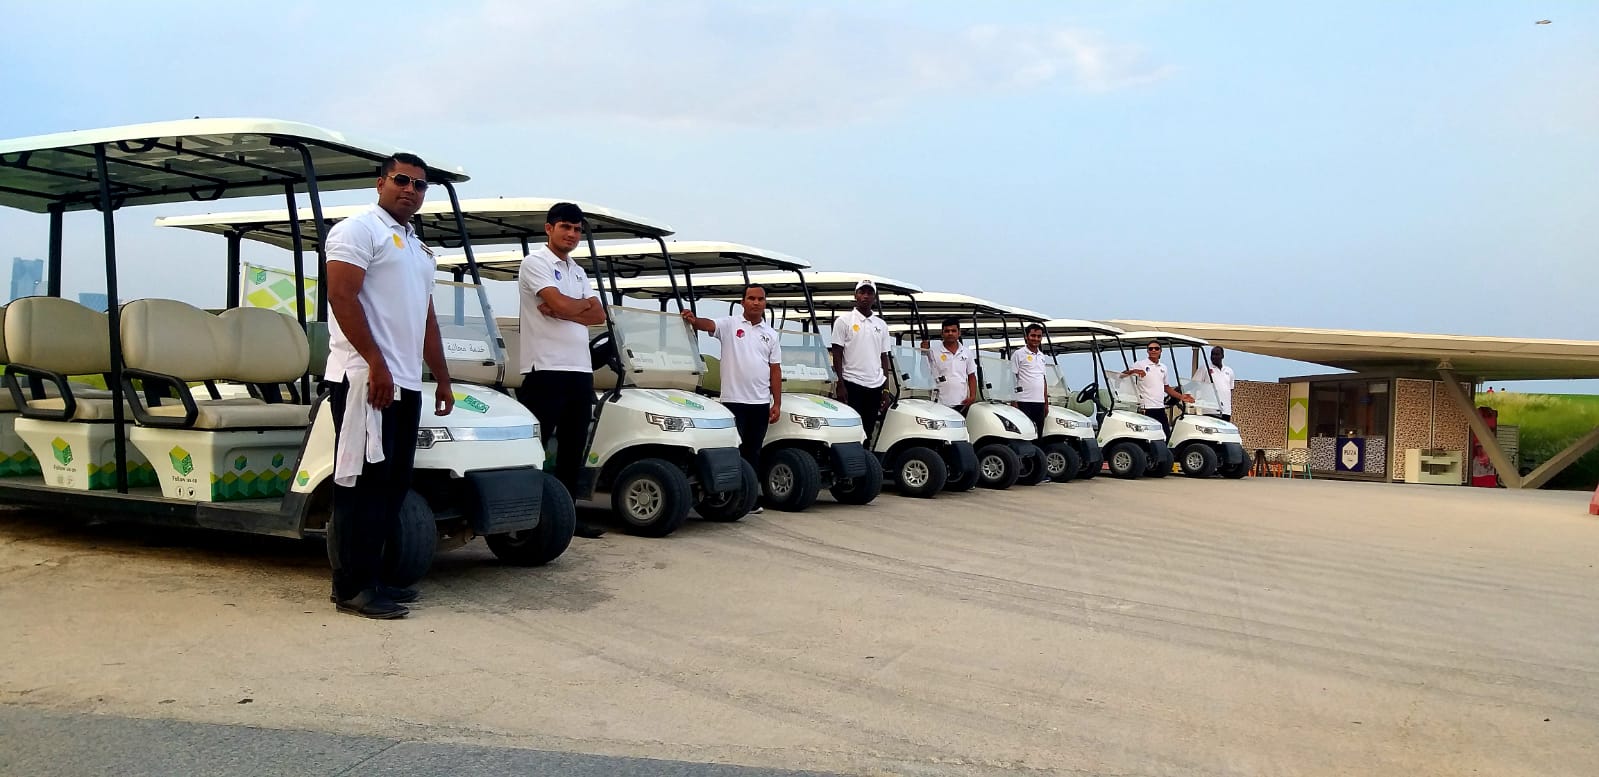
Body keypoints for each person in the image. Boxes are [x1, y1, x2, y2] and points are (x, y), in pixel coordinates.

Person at [323, 152, 454, 620]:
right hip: (365, 379)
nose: (410, 190)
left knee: (392, 488)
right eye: (401, 180)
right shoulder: (359, 230)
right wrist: (375, 362)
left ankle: (372, 578)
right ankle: (351, 588)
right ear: (381, 183)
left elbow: (426, 316)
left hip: (404, 382)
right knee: (361, 487)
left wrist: (441, 378)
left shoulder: (417, 247)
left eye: (419, 185)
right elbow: (341, 295)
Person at [515, 202, 608, 539]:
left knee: (572, 447)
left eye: (577, 229)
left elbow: (598, 314)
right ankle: (525, 514)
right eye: (565, 227)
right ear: (549, 228)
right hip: (545, 368)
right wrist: (570, 307)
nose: (572, 234)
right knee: (535, 446)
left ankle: (567, 516)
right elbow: (559, 303)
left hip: (579, 370)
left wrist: (566, 310)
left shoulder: (578, 271)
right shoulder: (535, 262)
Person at [682, 284, 781, 514]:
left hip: (760, 403)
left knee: (753, 452)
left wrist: (777, 402)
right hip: (733, 401)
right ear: (742, 302)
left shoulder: (771, 334)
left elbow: (775, 370)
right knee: (733, 450)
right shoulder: (730, 325)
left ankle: (749, 499)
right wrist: (693, 320)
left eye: (760, 299)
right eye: (751, 298)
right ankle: (727, 496)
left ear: (765, 303)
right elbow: (708, 324)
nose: (756, 302)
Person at [829, 279, 893, 441]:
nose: (865, 296)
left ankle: (865, 456)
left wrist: (886, 389)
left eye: (870, 293)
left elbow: (884, 357)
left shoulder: (881, 325)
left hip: (875, 385)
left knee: (868, 431)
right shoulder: (844, 321)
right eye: (862, 292)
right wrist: (840, 384)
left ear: (875, 297)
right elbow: (837, 354)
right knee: (851, 430)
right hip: (852, 383)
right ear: (855, 295)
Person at [1121, 340, 1192, 438]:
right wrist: (1135, 371)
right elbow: (1122, 375)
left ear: (1160, 351)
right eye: (1150, 349)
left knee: (1166, 435)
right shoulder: (1140, 364)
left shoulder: (1163, 367)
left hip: (1160, 407)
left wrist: (1181, 397)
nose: (1153, 350)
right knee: (1148, 437)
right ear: (1147, 351)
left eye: (1156, 348)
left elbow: (1166, 387)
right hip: (1146, 408)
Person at [920, 316, 977, 413]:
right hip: (939, 404)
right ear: (942, 333)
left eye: (953, 331)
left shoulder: (967, 352)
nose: (950, 333)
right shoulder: (933, 352)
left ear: (959, 333)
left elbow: (971, 376)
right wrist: (923, 353)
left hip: (962, 404)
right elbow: (924, 373)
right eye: (947, 331)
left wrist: (972, 396)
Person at [1012, 323, 1050, 435]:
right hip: (1023, 401)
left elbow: (1043, 379)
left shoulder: (1042, 356)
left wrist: (1046, 403)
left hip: (1039, 402)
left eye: (1039, 336)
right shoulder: (1018, 354)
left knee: (1038, 435)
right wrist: (1014, 401)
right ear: (1026, 336)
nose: (1036, 339)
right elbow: (1012, 378)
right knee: (1025, 433)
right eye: (1033, 335)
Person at [1195, 345, 1236, 421]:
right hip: (1210, 410)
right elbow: (1195, 384)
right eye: (1212, 354)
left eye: (1217, 354)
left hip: (1225, 411)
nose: (1214, 357)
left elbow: (1230, 389)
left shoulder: (1229, 371)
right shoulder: (1205, 368)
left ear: (1222, 356)